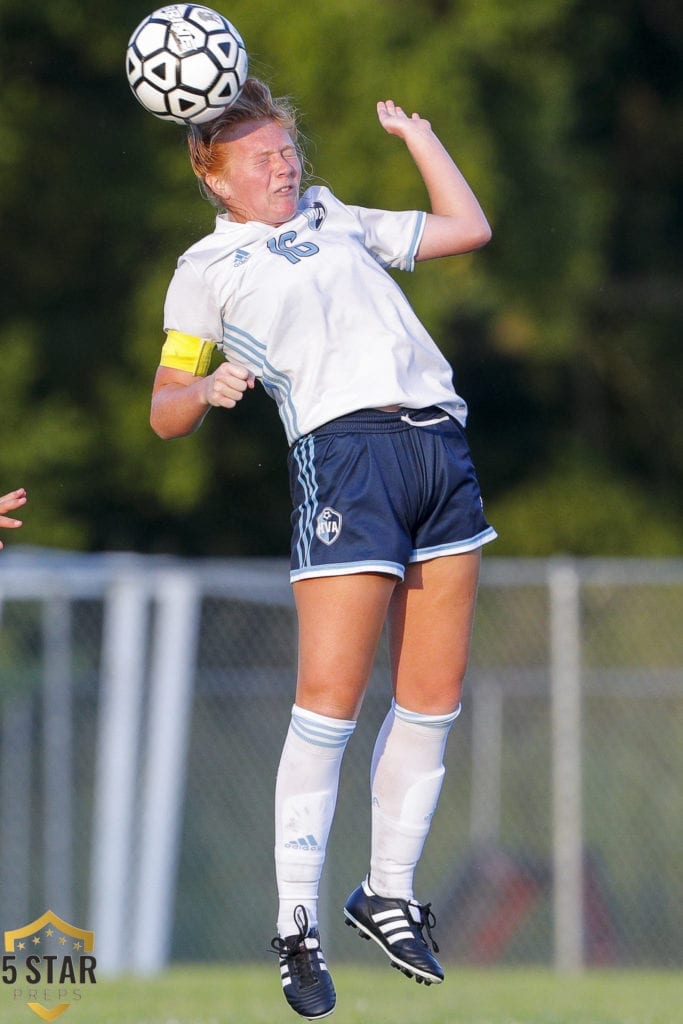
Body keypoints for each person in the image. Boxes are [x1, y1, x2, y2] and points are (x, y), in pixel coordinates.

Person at [150, 78, 496, 1020]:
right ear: (215, 180)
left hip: (439, 448)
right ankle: (297, 924)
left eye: (285, 148)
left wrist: (421, 139)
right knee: (329, 708)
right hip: (347, 460)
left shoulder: (333, 214)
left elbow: (465, 229)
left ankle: (387, 890)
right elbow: (162, 409)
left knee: (432, 699)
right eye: (259, 157)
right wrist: (207, 391)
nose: (282, 164)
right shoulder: (207, 271)